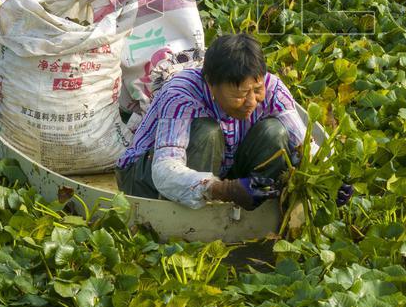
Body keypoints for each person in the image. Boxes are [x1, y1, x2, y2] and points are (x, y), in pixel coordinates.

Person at [114, 33, 307, 210]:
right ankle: (184, 221)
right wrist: (223, 189)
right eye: (239, 95)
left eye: (257, 90)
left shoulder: (273, 88)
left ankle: (260, 202)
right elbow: (164, 169)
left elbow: (305, 144)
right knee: (208, 132)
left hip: (222, 168)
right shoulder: (180, 95)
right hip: (144, 178)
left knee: (274, 132)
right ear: (210, 83)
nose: (251, 102)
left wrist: (322, 176)